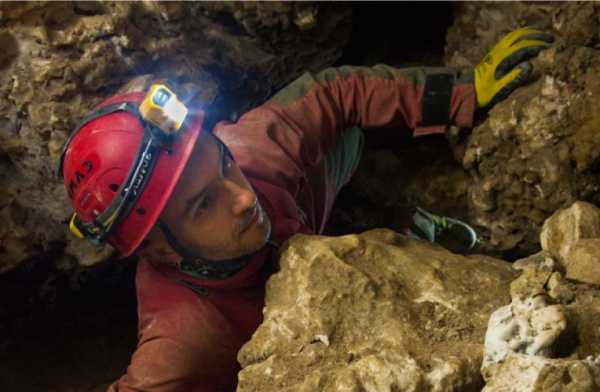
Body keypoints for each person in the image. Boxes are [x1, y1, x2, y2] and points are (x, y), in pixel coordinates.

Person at [57, 28, 552, 391]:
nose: (242, 194)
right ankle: (408, 235)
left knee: (349, 128)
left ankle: (387, 224)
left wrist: (458, 93)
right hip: (286, 298)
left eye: (222, 164)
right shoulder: (189, 343)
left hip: (308, 206)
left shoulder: (252, 154)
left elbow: (335, 92)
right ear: (161, 249)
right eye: (204, 203)